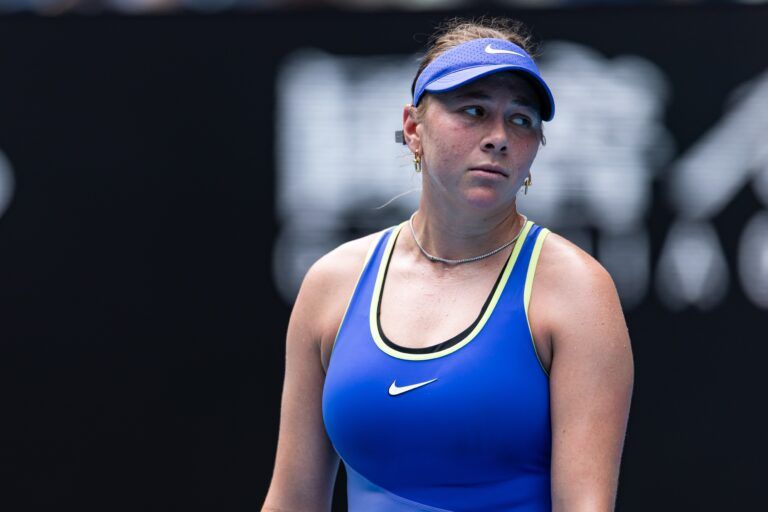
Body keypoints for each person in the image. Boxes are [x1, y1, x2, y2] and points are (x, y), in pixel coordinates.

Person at [262, 17, 633, 512]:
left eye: (521, 120)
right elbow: (291, 501)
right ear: (413, 129)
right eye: (474, 111)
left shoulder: (578, 291)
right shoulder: (333, 283)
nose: (499, 136)